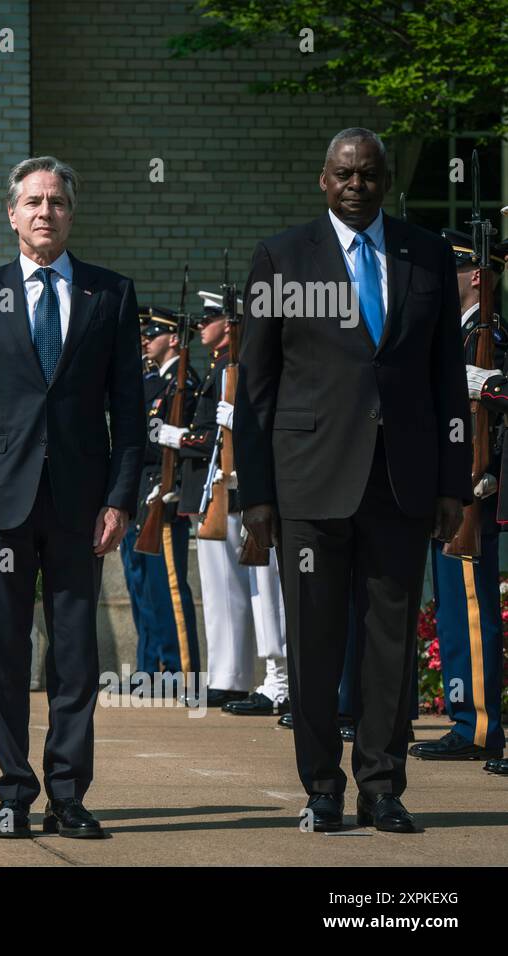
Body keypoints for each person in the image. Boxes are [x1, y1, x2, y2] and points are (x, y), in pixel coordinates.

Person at [235, 127, 471, 834]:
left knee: (390, 642)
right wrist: (257, 499)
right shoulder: (282, 257)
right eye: (344, 174)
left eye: (369, 175)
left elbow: (447, 383)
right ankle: (321, 786)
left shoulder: (425, 254)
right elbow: (257, 389)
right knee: (314, 641)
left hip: (400, 480)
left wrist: (452, 484)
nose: (357, 186)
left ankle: (381, 783)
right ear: (323, 180)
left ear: (385, 180)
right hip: (309, 484)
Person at [0, 156, 145, 840]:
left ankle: (68, 795)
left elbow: (130, 412)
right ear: (11, 214)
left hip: (80, 507)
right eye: (32, 201)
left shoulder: (109, 296)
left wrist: (121, 499)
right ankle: (13, 792)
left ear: (70, 213)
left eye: (56, 201)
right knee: (4, 654)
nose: (44, 212)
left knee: (76, 657)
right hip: (0, 507)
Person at [177, 292, 289, 716]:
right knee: (230, 591)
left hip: (255, 491)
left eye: (213, 318)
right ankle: (233, 675)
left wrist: (238, 418)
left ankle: (278, 678)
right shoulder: (221, 368)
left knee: (267, 590)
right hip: (224, 488)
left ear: (232, 324)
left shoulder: (256, 365)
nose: (203, 326)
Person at [423, 230, 508, 763]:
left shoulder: (490, 333)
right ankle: (463, 719)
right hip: (446, 494)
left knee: (473, 611)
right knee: (454, 610)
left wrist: (491, 382)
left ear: (477, 276)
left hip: (476, 494)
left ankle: (479, 725)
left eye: (451, 268)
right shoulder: (449, 335)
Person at [121, 307, 201, 697]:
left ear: (171, 339)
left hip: (163, 491)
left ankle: (181, 671)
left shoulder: (183, 383)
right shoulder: (152, 383)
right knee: (142, 587)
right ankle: (150, 667)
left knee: (168, 585)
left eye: (152, 334)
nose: (145, 341)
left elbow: (182, 439)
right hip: (140, 491)